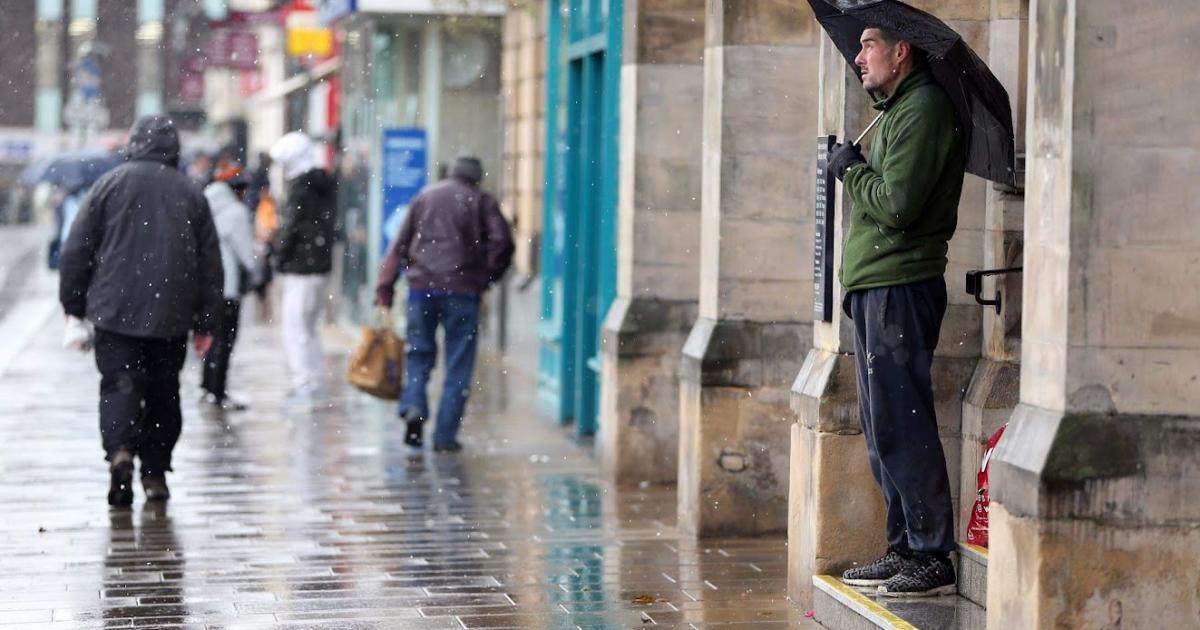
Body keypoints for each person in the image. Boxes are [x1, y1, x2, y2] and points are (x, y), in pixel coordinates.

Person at [827, 25, 967, 597]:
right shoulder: (895, 111)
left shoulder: (924, 108)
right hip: (876, 287)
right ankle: (904, 546)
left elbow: (898, 205)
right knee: (882, 424)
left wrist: (851, 171)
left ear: (900, 50)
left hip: (900, 287)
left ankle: (932, 555)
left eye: (869, 45)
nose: (859, 58)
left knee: (903, 422)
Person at [59, 115, 223, 507]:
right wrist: (207, 322)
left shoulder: (108, 185)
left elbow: (76, 250)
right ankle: (155, 470)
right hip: (171, 313)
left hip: (114, 312)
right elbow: (210, 264)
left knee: (120, 385)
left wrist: (73, 306)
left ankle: (120, 452)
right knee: (164, 391)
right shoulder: (191, 191)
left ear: (133, 143)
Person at [375, 156, 514, 452]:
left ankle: (414, 405)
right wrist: (485, 276)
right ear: (477, 177)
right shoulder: (481, 200)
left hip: (421, 288)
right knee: (458, 364)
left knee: (418, 353)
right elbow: (502, 242)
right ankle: (445, 436)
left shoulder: (425, 197)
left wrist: (384, 288)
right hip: (462, 291)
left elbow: (399, 247)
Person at [269, 132, 337, 405]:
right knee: (308, 327)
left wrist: (278, 257)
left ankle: (305, 383)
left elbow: (291, 226)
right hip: (319, 266)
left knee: (296, 328)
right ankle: (314, 380)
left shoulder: (301, 188)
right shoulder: (324, 183)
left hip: (300, 268)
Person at [200, 164, 262, 410]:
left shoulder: (204, 205)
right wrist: (257, 270)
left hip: (206, 286)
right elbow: (246, 254)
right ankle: (219, 392)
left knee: (210, 338)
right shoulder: (236, 212)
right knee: (225, 342)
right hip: (227, 286)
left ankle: (207, 386)